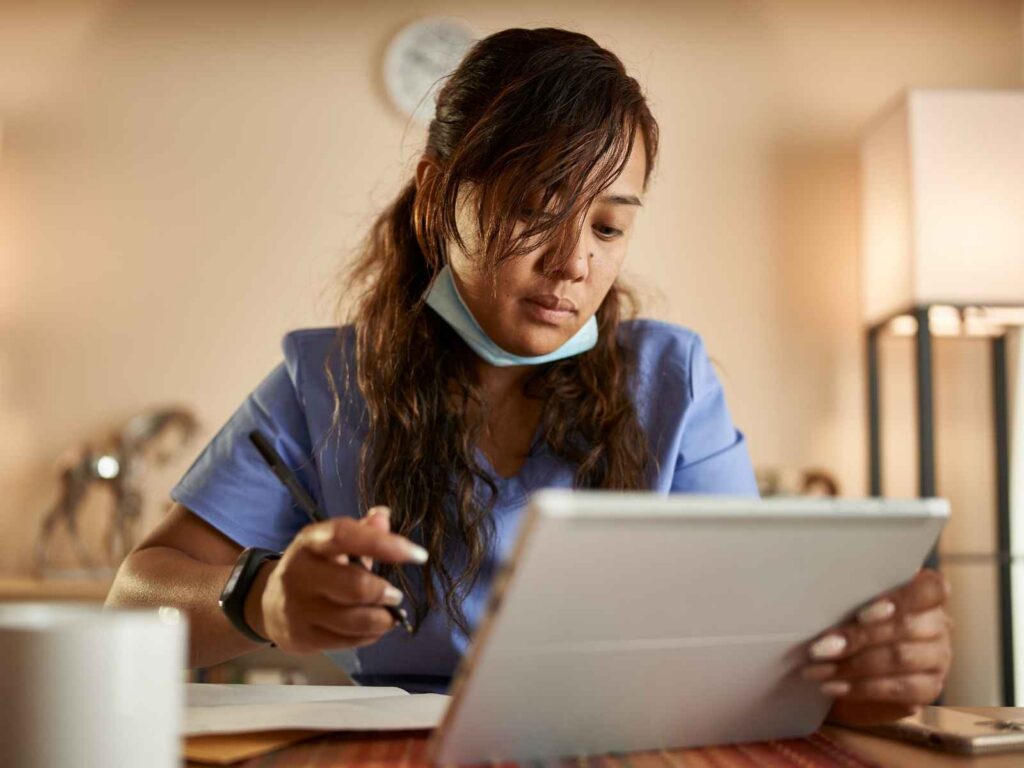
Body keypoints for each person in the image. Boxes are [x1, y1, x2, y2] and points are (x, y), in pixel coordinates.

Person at [106, 27, 951, 726]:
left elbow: (755, 648)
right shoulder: (328, 381)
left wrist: (870, 671)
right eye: (537, 207)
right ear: (440, 195)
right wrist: (259, 597)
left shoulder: (670, 382)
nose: (575, 262)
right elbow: (135, 597)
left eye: (611, 225)